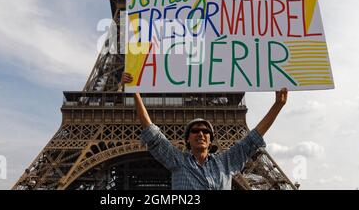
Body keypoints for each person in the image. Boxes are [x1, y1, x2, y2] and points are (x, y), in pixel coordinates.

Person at [121, 72, 288, 190]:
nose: (200, 133)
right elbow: (153, 134)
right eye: (195, 131)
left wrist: (277, 105)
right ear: (187, 139)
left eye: (205, 131)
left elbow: (253, 138)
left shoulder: (226, 162)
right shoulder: (178, 161)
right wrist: (135, 93)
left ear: (211, 139)